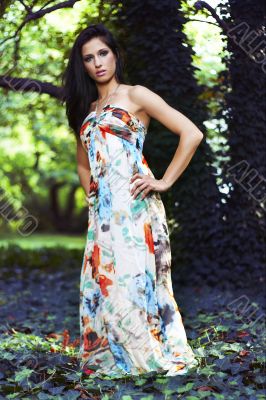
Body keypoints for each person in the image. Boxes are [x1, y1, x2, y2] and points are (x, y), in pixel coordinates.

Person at [62, 23, 203, 378]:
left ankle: (146, 357)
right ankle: (113, 358)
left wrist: (164, 180)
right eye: (89, 57)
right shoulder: (87, 107)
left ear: (115, 54)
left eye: (103, 53)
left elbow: (192, 133)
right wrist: (92, 193)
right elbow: (82, 161)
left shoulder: (136, 94)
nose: (97, 63)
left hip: (136, 206)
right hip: (104, 215)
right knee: (103, 284)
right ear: (83, 65)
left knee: (134, 282)